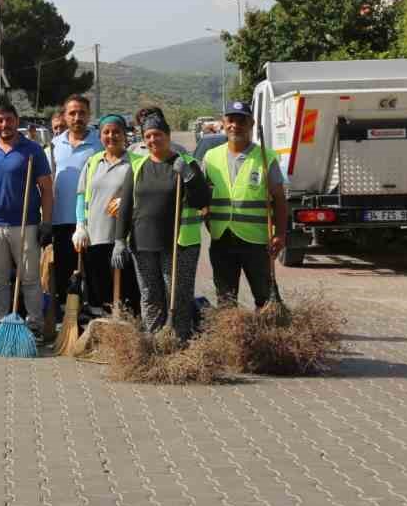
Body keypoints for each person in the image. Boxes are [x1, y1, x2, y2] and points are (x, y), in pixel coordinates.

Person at [111, 112, 211, 338]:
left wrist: (188, 177)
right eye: (148, 136)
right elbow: (126, 206)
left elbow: (202, 202)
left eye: (157, 134)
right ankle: (154, 340)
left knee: (176, 295)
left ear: (167, 135)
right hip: (142, 243)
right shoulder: (137, 167)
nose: (153, 140)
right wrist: (119, 240)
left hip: (178, 244)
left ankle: (178, 340)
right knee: (149, 293)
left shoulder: (187, 163)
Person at [0, 104, 52, 335]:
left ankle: (34, 325)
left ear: (16, 121)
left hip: (25, 224)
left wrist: (47, 223)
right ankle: (2, 324)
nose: (4, 125)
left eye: (8, 120)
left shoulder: (33, 150)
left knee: (30, 279)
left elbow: (46, 189)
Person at [201, 100, 288, 309]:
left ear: (251, 123)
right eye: (231, 120)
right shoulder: (211, 157)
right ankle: (232, 338)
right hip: (222, 239)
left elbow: (279, 199)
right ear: (223, 123)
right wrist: (207, 219)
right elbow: (202, 196)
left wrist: (281, 234)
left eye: (242, 121)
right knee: (226, 300)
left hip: (256, 241)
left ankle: (270, 337)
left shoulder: (266, 157)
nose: (235, 125)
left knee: (265, 298)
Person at [75, 114, 139, 312]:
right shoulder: (93, 162)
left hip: (126, 238)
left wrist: (128, 201)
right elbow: (81, 195)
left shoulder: (136, 163)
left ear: (124, 135)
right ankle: (103, 331)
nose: (111, 136)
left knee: (128, 291)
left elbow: (147, 195)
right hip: (95, 237)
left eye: (116, 132)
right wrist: (80, 226)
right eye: (106, 132)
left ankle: (127, 332)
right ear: (100, 135)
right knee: (100, 290)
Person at [50, 95, 101, 310]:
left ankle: (94, 312)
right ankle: (66, 313)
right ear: (64, 116)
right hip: (60, 220)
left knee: (93, 273)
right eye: (72, 113)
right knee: (63, 271)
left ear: (89, 115)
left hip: (92, 222)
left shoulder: (99, 144)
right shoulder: (53, 145)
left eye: (82, 113)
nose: (77, 117)